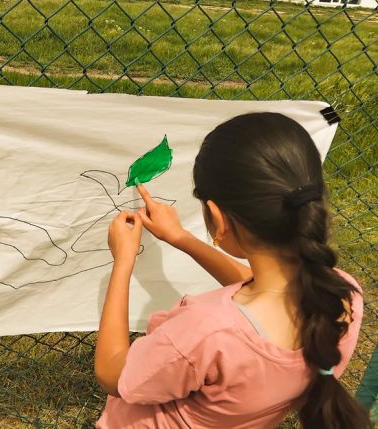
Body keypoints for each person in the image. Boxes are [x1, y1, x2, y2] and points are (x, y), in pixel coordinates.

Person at [94, 112, 370, 428]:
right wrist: (182, 238)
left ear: (217, 217)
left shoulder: (206, 330)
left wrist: (123, 262)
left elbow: (112, 372)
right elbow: (266, 294)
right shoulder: (341, 298)